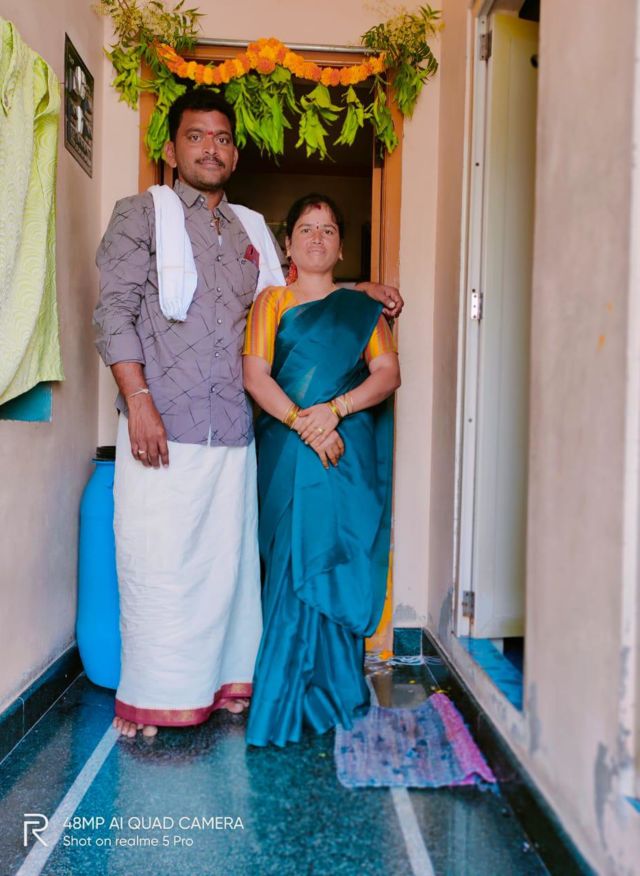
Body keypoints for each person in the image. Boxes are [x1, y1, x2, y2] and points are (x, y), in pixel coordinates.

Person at [93, 90, 403, 738]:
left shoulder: (248, 230)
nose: (211, 148)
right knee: (158, 564)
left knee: (225, 573)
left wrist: (359, 293)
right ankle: (153, 701)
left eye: (223, 138)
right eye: (196, 135)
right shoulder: (140, 214)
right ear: (171, 148)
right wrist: (139, 402)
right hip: (164, 422)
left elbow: (297, 299)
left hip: (235, 434)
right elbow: (113, 313)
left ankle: (223, 689)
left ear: (235, 153)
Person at [243, 194, 401, 747]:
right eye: (306, 229)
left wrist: (335, 411)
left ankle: (335, 694)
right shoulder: (271, 302)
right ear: (288, 244)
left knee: (333, 558)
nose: (317, 237)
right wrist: (304, 424)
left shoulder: (361, 311)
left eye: (328, 230)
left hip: (343, 454)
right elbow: (255, 376)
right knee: (290, 565)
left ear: (341, 247)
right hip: (287, 453)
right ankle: (282, 704)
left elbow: (387, 374)